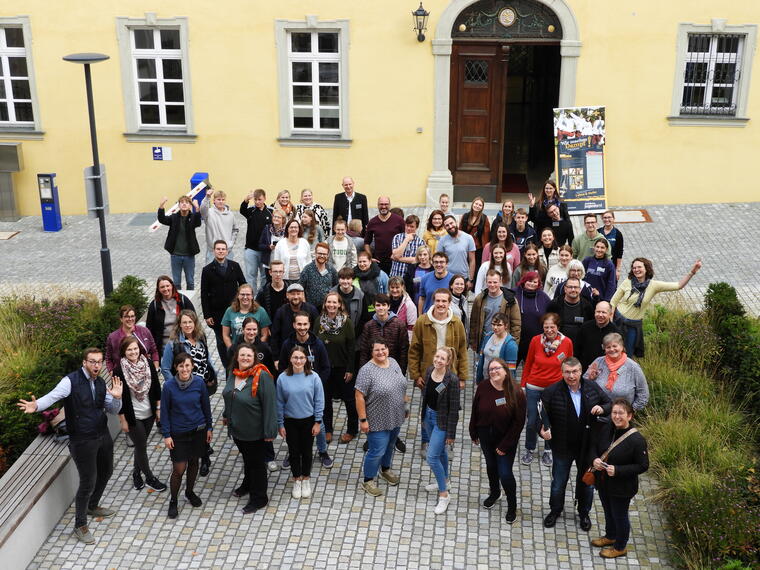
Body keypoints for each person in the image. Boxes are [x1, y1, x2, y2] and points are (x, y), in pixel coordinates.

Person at [17, 348, 123, 544]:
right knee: (88, 481)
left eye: (99, 362)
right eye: (92, 361)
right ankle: (80, 525)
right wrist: (37, 405)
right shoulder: (70, 381)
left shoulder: (100, 383)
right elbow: (53, 396)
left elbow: (113, 409)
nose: (96, 365)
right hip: (82, 440)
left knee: (107, 471)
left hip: (102, 435)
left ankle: (92, 505)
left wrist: (117, 397)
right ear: (84, 362)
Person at [539, 357, 611, 531]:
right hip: (562, 446)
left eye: (575, 372)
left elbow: (609, 403)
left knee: (587, 482)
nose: (571, 376)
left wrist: (603, 409)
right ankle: (555, 510)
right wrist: (542, 431)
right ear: (562, 372)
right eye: (567, 372)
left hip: (587, 447)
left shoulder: (592, 388)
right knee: (558, 483)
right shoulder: (551, 391)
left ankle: (584, 513)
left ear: (580, 372)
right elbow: (540, 415)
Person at [589, 398, 649, 559]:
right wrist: (594, 458)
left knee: (620, 515)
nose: (616, 416)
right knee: (608, 511)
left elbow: (643, 466)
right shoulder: (607, 428)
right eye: (614, 413)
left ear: (630, 416)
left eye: (621, 413)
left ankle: (620, 546)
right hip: (604, 482)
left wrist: (618, 470)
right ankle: (610, 535)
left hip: (622, 487)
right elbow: (594, 445)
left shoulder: (637, 440)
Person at [160, 309, 218, 476]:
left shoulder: (201, 338)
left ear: (195, 323)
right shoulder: (173, 344)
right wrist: (175, 386)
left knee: (203, 420)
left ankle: (205, 456)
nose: (187, 325)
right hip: (184, 389)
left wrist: (212, 374)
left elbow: (206, 359)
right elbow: (165, 368)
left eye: (190, 322)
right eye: (184, 322)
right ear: (179, 324)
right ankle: (200, 456)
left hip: (200, 388)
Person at [222, 343, 277, 514]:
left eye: (249, 356)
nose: (245, 358)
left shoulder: (262, 376)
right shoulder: (233, 372)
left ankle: (259, 497)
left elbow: (270, 405)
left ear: (254, 358)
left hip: (255, 431)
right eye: (242, 355)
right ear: (237, 357)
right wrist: (226, 414)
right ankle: (247, 484)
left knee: (257, 464)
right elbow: (230, 395)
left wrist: (270, 431)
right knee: (247, 459)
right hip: (238, 430)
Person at [469, 358, 526, 524]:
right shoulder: (484, 387)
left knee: (505, 473)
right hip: (486, 435)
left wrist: (505, 445)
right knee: (491, 467)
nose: (493, 372)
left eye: (496, 368)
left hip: (505, 440)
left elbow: (518, 423)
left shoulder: (516, 392)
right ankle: (495, 493)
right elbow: (475, 410)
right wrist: (473, 431)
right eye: (490, 369)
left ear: (505, 370)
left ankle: (512, 505)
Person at [610, 258, 702, 356]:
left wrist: (692, 272)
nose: (636, 270)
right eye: (634, 268)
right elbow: (613, 301)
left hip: (633, 325)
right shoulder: (627, 281)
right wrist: (610, 320)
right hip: (618, 320)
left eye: (639, 267)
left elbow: (678, 285)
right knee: (612, 349)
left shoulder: (654, 285)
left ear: (646, 269)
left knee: (627, 354)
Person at [160, 352, 213, 519]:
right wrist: (167, 435)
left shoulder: (199, 383)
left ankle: (189, 492)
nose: (184, 369)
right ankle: (173, 500)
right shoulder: (168, 386)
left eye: (187, 365)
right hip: (178, 433)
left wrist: (209, 427)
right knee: (179, 469)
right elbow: (164, 413)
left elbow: (206, 406)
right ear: (176, 367)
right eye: (181, 365)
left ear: (192, 367)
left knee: (194, 463)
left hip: (198, 430)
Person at [277, 310, 333, 466]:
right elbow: (282, 366)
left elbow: (326, 367)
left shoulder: (318, 344)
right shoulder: (287, 344)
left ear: (310, 325)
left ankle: (322, 451)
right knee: (293, 427)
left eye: (305, 324)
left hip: (312, 392)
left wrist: (315, 384)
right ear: (294, 325)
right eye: (299, 324)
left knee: (319, 424)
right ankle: (293, 452)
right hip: (293, 393)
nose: (302, 327)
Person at [355, 338, 408, 497]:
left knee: (391, 445)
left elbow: (401, 386)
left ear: (388, 349)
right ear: (371, 352)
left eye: (383, 349)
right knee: (377, 450)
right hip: (376, 418)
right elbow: (359, 396)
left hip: (395, 415)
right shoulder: (367, 370)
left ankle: (385, 469)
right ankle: (368, 479)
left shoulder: (394, 363)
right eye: (377, 350)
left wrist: (404, 406)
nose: (381, 352)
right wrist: (363, 420)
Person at [520, 312, 573, 467]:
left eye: (552, 327)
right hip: (534, 386)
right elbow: (528, 362)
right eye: (546, 327)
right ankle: (530, 448)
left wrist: (569, 385)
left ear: (558, 327)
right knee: (531, 420)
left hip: (554, 389)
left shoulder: (567, 343)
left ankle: (549, 450)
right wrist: (523, 384)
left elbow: (569, 365)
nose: (549, 330)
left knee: (551, 421)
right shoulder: (536, 341)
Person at [114, 336, 165, 492]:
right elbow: (119, 398)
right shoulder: (119, 370)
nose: (133, 352)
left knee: (140, 446)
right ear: (124, 352)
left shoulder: (147, 363)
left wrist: (158, 409)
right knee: (141, 446)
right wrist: (122, 420)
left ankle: (136, 473)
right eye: (129, 349)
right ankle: (150, 477)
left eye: (135, 348)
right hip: (133, 416)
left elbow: (156, 388)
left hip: (149, 413)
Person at [276, 346, 325, 499]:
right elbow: (279, 402)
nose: (298, 361)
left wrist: (318, 422)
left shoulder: (314, 377)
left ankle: (306, 478)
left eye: (301, 358)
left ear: (306, 359)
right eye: (295, 358)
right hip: (291, 421)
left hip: (308, 420)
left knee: (307, 451)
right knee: (294, 451)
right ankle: (296, 479)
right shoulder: (282, 378)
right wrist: (280, 423)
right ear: (290, 359)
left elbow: (319, 400)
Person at [421, 347, 461, 515]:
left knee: (431, 457)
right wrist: (423, 417)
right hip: (429, 416)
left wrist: (451, 435)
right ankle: (444, 480)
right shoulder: (430, 370)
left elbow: (453, 410)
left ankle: (444, 494)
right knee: (440, 452)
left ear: (448, 362)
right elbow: (426, 395)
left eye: (442, 359)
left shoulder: (452, 380)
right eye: (437, 356)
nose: (438, 360)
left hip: (441, 421)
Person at [316, 292, 357, 444]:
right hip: (325, 369)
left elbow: (352, 348)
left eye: (335, 302)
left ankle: (352, 430)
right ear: (325, 304)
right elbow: (314, 345)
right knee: (325, 400)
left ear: (340, 304)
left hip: (342, 367)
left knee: (349, 400)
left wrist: (350, 369)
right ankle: (327, 429)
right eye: (329, 302)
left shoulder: (347, 323)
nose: (331, 305)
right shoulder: (319, 322)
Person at [200, 240, 246, 367]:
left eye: (223, 249)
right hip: (217, 313)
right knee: (221, 341)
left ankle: (237, 362)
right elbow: (204, 293)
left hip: (235, 310)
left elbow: (243, 284)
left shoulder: (234, 266)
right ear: (213, 251)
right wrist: (207, 314)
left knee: (237, 337)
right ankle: (227, 366)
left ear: (227, 251)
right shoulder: (207, 270)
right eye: (218, 249)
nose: (220, 251)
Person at [585, 333, 649, 411]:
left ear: (622, 347)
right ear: (604, 349)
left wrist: (630, 412)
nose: (612, 349)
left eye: (615, 346)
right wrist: (590, 378)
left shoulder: (633, 367)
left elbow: (643, 395)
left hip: (622, 415)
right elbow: (583, 384)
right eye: (608, 347)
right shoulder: (598, 362)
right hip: (599, 413)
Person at [469, 270, 521, 353]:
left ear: (500, 282)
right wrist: (473, 341)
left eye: (495, 282)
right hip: (484, 341)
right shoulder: (480, 299)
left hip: (503, 342)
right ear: (486, 282)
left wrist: (513, 344)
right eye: (489, 282)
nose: (492, 285)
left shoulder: (510, 300)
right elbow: (473, 322)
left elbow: (516, 324)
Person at [157, 195, 202, 290]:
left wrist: (197, 208)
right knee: (176, 282)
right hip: (175, 255)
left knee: (190, 281)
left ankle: (189, 302)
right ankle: (178, 301)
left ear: (190, 206)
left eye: (187, 202)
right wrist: (161, 206)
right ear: (178, 205)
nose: (184, 204)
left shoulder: (193, 217)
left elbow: (198, 222)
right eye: (182, 202)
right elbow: (162, 219)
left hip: (189, 255)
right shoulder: (174, 218)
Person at [145, 275, 195, 356]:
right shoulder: (154, 305)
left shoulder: (182, 300)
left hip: (183, 344)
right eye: (162, 287)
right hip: (163, 347)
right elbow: (149, 328)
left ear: (172, 285)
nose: (165, 289)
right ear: (158, 289)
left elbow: (194, 319)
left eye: (167, 286)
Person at [360, 293, 409, 372]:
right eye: (378, 305)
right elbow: (364, 351)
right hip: (373, 369)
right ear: (374, 307)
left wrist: (401, 371)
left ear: (388, 306)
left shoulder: (399, 325)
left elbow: (403, 350)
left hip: (394, 368)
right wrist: (364, 371)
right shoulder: (368, 326)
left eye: (384, 305)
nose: (381, 308)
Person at [105, 305, 159, 373]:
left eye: (132, 316)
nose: (130, 319)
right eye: (126, 317)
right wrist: (111, 372)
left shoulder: (145, 331)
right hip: (123, 374)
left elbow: (154, 351)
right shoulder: (113, 337)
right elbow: (108, 358)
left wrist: (155, 368)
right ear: (121, 319)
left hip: (145, 372)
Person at [222, 284, 272, 356]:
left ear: (252, 296)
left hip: (255, 351)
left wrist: (257, 349)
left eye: (248, 294)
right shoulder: (230, 311)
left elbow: (265, 334)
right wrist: (231, 349)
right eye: (242, 294)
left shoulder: (261, 311)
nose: (245, 297)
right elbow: (225, 335)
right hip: (236, 350)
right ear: (238, 296)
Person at [240, 188, 272, 293]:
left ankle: (261, 296)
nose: (258, 202)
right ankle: (251, 297)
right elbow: (242, 210)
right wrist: (246, 200)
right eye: (256, 200)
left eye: (260, 199)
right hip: (251, 249)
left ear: (264, 199)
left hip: (265, 250)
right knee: (251, 275)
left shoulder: (270, 212)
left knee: (264, 276)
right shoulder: (251, 211)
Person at [547, 277, 595, 346]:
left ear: (580, 289)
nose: (573, 289)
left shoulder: (587, 306)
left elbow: (590, 328)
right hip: (558, 345)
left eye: (576, 287)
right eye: (570, 287)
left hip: (580, 346)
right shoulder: (554, 305)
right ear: (565, 289)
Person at [364, 196, 405, 275]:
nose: (383, 206)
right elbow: (366, 243)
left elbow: (405, 239)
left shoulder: (399, 220)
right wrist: (370, 258)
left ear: (390, 205)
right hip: (379, 263)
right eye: (381, 204)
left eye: (386, 204)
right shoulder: (372, 222)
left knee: (395, 286)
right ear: (377, 205)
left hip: (396, 261)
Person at [574, 302, 619, 371]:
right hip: (585, 369)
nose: (600, 315)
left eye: (604, 312)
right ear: (594, 312)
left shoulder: (615, 332)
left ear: (610, 314)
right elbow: (577, 350)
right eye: (598, 312)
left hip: (606, 370)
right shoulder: (585, 327)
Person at [475, 313, 518, 384]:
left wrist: (509, 388)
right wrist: (479, 378)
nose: (495, 327)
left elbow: (511, 370)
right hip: (485, 380)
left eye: (499, 325)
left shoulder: (510, 345)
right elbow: (481, 359)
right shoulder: (488, 336)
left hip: (500, 384)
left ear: (506, 326)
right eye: (493, 324)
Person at [200, 189, 239, 263]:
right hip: (212, 252)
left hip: (227, 251)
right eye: (218, 199)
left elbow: (235, 230)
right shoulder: (208, 213)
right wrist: (207, 197)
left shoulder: (230, 214)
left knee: (228, 274)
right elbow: (202, 209)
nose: (221, 201)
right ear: (214, 200)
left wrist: (230, 244)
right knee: (211, 274)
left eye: (223, 199)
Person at [439, 215, 476, 289]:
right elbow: (439, 260)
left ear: (456, 222)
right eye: (447, 225)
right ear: (444, 228)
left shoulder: (468, 238)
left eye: (451, 223)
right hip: (447, 278)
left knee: (462, 300)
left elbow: (472, 260)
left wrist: (470, 280)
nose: (450, 226)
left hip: (463, 278)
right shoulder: (442, 240)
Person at [299, 242, 338, 308]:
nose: (322, 256)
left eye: (324, 254)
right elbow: (300, 288)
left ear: (328, 255)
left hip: (328, 308)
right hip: (311, 308)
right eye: (320, 253)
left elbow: (336, 287)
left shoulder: (331, 269)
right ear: (315, 253)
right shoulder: (307, 269)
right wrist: (305, 305)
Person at [273, 219, 311, 284]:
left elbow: (309, 262)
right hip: (285, 279)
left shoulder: (304, 242)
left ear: (299, 229)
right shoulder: (280, 244)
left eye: (296, 227)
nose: (294, 229)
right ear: (287, 229)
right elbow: (276, 262)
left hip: (302, 279)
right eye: (291, 227)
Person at [459, 197, 490, 268]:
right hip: (465, 248)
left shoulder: (484, 218)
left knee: (476, 268)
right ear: (473, 204)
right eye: (476, 203)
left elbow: (486, 236)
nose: (477, 206)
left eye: (480, 205)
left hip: (478, 249)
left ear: (482, 207)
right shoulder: (465, 216)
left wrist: (485, 251)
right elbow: (460, 231)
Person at [255, 260, 287, 325]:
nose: (278, 274)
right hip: (269, 328)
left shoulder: (290, 290)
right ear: (270, 272)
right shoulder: (263, 292)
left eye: (280, 271)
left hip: (286, 327)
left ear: (283, 272)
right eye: (275, 271)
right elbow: (256, 310)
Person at [388, 276, 418, 340]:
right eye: (392, 287)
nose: (394, 290)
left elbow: (411, 328)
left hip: (402, 340)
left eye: (397, 287)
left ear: (402, 287)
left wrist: (408, 344)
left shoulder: (409, 305)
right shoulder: (386, 301)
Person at [258, 208, 286, 275]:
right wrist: (268, 247)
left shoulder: (287, 231)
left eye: (278, 217)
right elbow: (260, 245)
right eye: (274, 216)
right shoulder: (267, 228)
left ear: (283, 219)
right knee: (269, 283)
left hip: (283, 262)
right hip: (269, 262)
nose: (276, 218)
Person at [600, 210, 625, 279]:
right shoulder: (598, 232)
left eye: (609, 217)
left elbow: (620, 252)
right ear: (602, 219)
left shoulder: (618, 234)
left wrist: (618, 269)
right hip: (599, 265)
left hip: (611, 265)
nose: (607, 219)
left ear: (613, 219)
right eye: (605, 218)